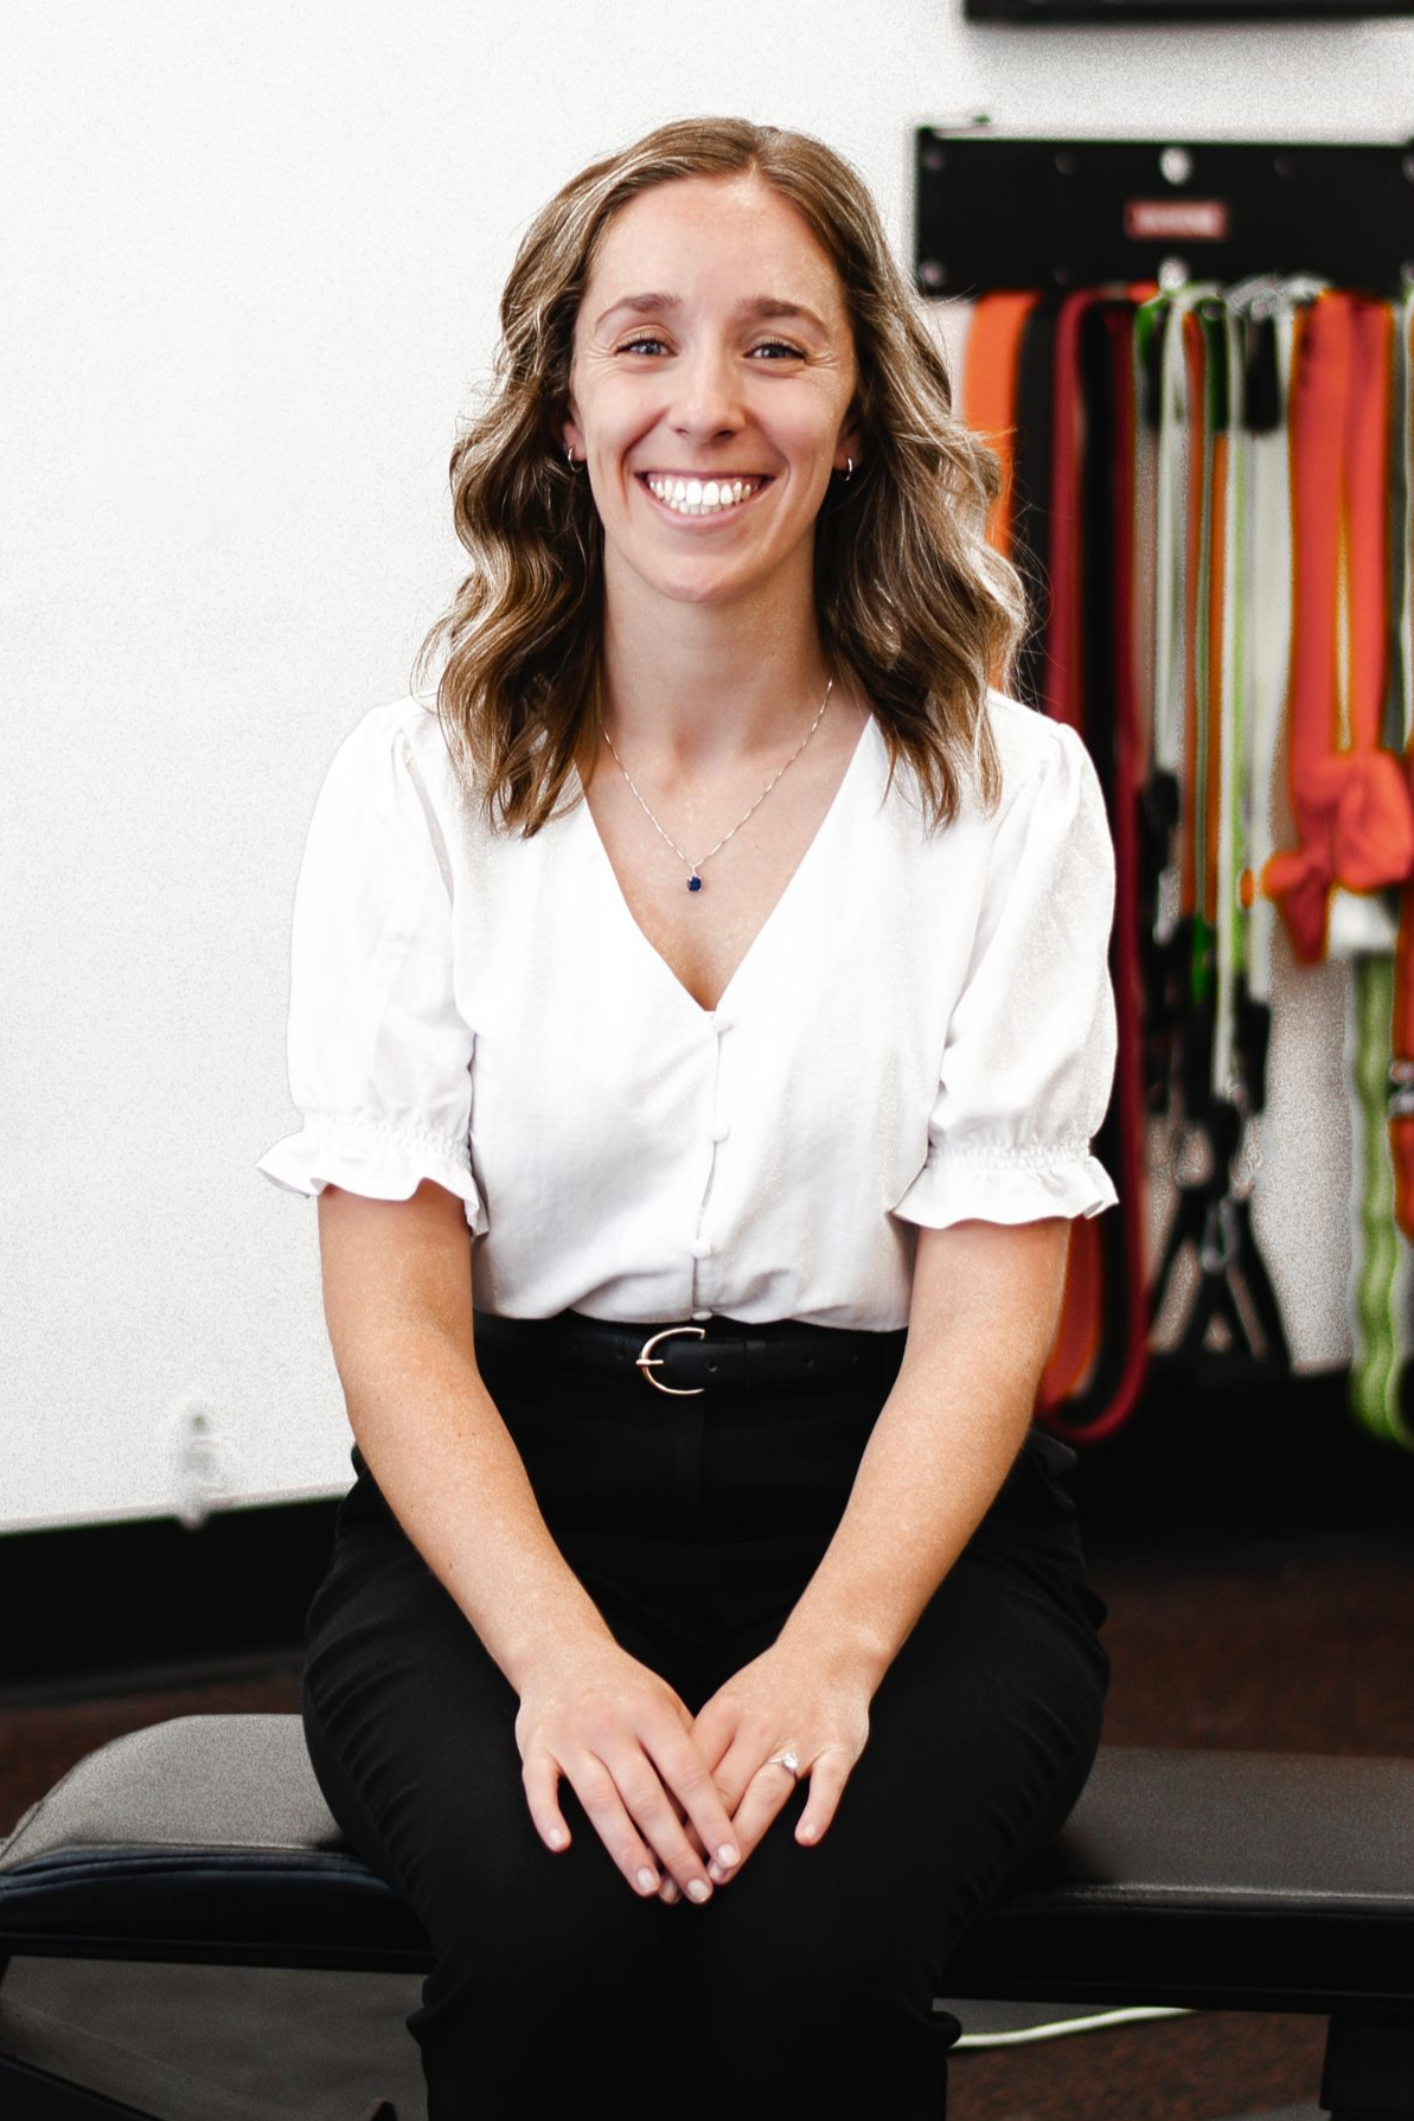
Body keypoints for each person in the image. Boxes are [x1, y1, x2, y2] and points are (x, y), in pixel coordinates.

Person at [258, 115, 1117, 2119]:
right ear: (565, 406)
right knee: (554, 1934)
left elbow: (994, 1319)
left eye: (774, 346)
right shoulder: (415, 789)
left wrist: (831, 1655)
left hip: (903, 1519)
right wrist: (559, 1658)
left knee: (803, 1950)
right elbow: (392, 1326)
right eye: (641, 343)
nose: (702, 406)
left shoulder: (1010, 792)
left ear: (855, 410)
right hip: (505, 1509)